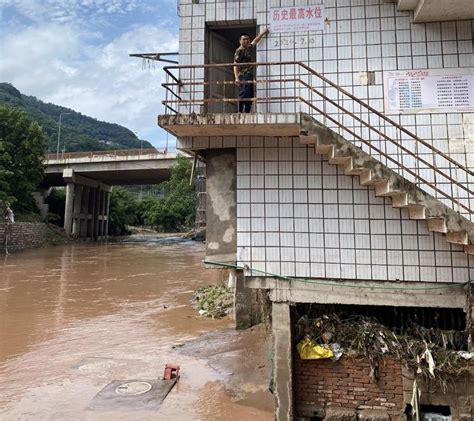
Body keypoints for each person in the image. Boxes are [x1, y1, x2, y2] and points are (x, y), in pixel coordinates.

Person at [233, 27, 270, 113]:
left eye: (247, 39)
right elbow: (235, 64)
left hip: (249, 74)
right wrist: (236, 77)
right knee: (244, 93)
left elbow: (255, 41)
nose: (246, 41)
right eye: (244, 39)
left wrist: (263, 33)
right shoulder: (239, 51)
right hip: (243, 74)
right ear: (240, 41)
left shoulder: (248, 48)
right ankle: (240, 111)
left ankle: (247, 111)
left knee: (250, 93)